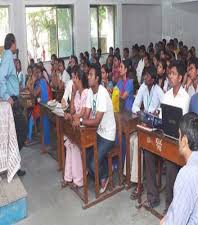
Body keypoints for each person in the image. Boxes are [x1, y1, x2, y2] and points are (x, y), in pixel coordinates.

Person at [144, 60, 190, 213]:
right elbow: (163, 118)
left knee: (171, 164)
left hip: (176, 142)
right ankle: (153, 196)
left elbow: (184, 126)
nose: (170, 76)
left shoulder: (186, 98)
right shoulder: (167, 95)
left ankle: (170, 206)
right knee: (148, 151)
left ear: (181, 78)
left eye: (174, 74)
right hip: (164, 136)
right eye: (169, 73)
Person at [73, 64, 116, 193]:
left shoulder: (102, 93)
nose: (88, 77)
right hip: (98, 132)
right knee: (85, 153)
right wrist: (77, 118)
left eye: (91, 75)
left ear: (97, 78)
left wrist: (80, 120)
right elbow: (86, 115)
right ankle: (103, 171)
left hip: (108, 135)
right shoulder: (91, 92)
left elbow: (96, 121)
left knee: (92, 163)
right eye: (88, 75)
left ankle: (104, 176)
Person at [125, 66, 164, 200]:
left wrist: (157, 112)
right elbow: (135, 106)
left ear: (153, 79)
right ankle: (130, 175)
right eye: (144, 75)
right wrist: (143, 113)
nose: (144, 77)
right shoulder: (142, 88)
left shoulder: (158, 91)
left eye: (147, 76)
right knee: (130, 139)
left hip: (154, 128)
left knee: (136, 142)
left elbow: (165, 108)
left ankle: (138, 183)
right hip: (145, 123)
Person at [0, 33, 26, 176]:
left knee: (15, 134)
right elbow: (1, 76)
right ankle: (12, 163)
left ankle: (14, 165)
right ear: (13, 43)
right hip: (12, 101)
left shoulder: (6, 56)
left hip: (14, 98)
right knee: (21, 133)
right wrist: (6, 96)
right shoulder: (8, 56)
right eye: (16, 42)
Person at [62, 67, 89, 188]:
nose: (72, 81)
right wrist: (72, 94)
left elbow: (83, 113)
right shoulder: (77, 93)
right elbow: (73, 110)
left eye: (74, 78)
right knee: (69, 144)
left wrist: (72, 117)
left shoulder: (86, 93)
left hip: (86, 127)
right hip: (77, 125)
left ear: (79, 78)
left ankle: (79, 180)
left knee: (75, 145)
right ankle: (69, 177)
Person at [26, 64, 52, 150]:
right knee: (31, 114)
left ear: (41, 73)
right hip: (44, 105)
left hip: (44, 106)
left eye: (37, 73)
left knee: (31, 116)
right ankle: (43, 141)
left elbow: (34, 94)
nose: (36, 74)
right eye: (35, 73)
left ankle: (30, 138)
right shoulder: (41, 81)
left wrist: (33, 81)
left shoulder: (41, 82)